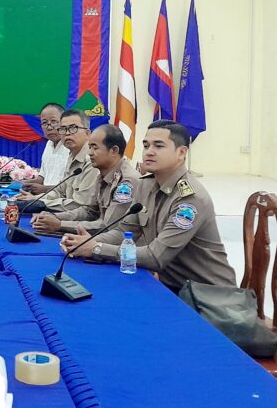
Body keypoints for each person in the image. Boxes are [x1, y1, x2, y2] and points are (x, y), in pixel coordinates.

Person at [60, 120, 237, 292]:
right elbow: (124, 232)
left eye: (158, 146)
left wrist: (96, 248)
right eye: (146, 146)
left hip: (207, 295)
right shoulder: (145, 185)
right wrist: (86, 242)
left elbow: (155, 257)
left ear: (181, 153)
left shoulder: (190, 199)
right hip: (169, 286)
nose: (149, 152)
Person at [32, 123, 140, 234]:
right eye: (89, 147)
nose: (90, 153)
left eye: (95, 148)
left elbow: (107, 226)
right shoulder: (102, 174)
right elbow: (90, 211)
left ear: (114, 150)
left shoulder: (126, 182)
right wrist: (53, 217)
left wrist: (60, 225)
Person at [36, 108, 99, 214]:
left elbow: (80, 205)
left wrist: (41, 204)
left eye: (73, 128)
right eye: (63, 129)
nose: (67, 133)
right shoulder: (72, 156)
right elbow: (60, 191)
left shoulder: (92, 161)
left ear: (88, 133)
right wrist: (34, 200)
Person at [21, 102, 69, 195]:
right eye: (44, 123)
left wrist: (44, 189)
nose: (49, 127)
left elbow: (70, 186)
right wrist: (24, 183)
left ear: (64, 122)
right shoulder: (48, 144)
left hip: (60, 198)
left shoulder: (70, 146)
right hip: (44, 196)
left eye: (53, 121)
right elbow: (42, 178)